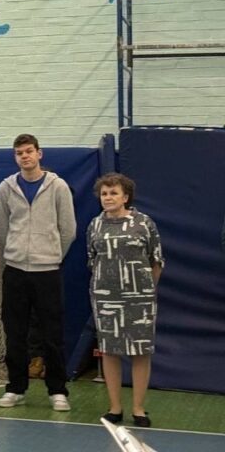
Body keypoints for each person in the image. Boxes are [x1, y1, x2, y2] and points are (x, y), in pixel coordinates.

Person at [0, 134, 76, 411]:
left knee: (52, 333)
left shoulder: (58, 186)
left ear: (39, 154)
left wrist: (51, 255)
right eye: (20, 153)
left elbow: (68, 229)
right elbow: (3, 228)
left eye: (29, 151)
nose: (25, 156)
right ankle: (15, 388)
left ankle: (57, 390)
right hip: (15, 270)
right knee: (14, 332)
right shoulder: (6, 187)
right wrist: (16, 252)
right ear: (15, 157)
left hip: (47, 271)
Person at [87, 173, 164, 428]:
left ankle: (138, 409)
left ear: (125, 197)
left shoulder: (144, 223)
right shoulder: (95, 225)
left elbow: (156, 260)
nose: (108, 197)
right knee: (109, 350)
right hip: (105, 298)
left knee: (140, 351)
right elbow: (92, 259)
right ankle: (115, 408)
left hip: (140, 298)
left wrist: (145, 290)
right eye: (104, 193)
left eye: (114, 193)